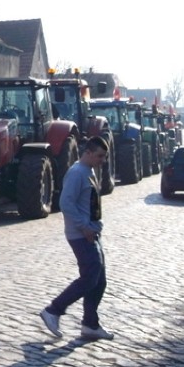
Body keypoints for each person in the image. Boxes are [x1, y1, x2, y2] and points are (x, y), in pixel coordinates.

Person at [39, 136, 113, 341]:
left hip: (92, 233)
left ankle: (90, 324)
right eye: (99, 156)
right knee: (90, 277)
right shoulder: (77, 173)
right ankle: (53, 310)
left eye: (104, 157)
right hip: (81, 235)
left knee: (99, 281)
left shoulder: (89, 171)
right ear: (87, 153)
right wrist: (84, 227)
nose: (102, 160)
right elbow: (66, 203)